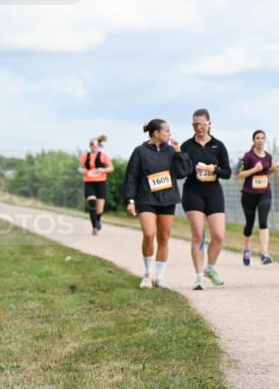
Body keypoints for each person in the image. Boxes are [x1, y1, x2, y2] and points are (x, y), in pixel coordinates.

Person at [122, 119, 192, 289]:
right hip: (146, 198)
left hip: (167, 199)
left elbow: (184, 173)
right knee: (149, 234)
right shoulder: (140, 151)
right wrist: (130, 200)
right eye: (167, 131)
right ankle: (147, 273)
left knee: (164, 237)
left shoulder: (171, 151)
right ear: (156, 133)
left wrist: (180, 152)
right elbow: (131, 176)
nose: (170, 134)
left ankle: (160, 277)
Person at [180, 109, 230, 290]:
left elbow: (227, 173)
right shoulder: (187, 146)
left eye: (201, 124)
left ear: (209, 124)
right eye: (195, 124)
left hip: (213, 192)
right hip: (193, 192)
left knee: (218, 235)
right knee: (198, 235)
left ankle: (210, 267)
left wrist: (213, 169)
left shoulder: (218, 145)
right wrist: (194, 168)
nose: (198, 128)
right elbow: (181, 172)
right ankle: (199, 275)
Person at [236, 130, 277, 266]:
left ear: (265, 140)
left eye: (262, 138)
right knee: (249, 223)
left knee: (263, 221)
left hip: (264, 192)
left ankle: (264, 253)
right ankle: (247, 249)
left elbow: (267, 171)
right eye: (257, 138)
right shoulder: (248, 157)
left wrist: (274, 169)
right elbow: (238, 174)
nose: (260, 140)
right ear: (253, 140)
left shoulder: (269, 156)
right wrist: (254, 170)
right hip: (249, 194)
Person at [78, 135, 114, 235]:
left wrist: (103, 169)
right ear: (89, 146)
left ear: (98, 145)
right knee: (92, 204)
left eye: (95, 144)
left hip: (101, 183)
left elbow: (111, 168)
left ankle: (98, 220)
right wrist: (84, 171)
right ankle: (94, 228)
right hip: (89, 182)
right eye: (91, 144)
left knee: (99, 209)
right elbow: (80, 168)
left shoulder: (103, 156)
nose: (93, 146)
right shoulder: (85, 156)